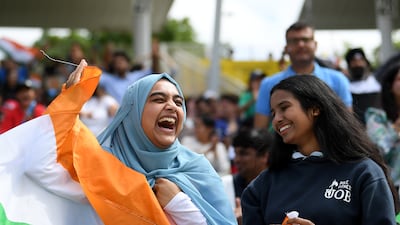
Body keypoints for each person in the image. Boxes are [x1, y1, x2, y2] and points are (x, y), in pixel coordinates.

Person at [242, 75, 399, 225]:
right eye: (273, 113)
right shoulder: (262, 186)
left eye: (284, 107)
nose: (276, 119)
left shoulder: (364, 173)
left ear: (315, 108)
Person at [254, 21, 352, 129]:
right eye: (294, 41)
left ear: (315, 45)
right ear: (286, 48)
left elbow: (347, 126)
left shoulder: (338, 80)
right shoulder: (269, 84)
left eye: (305, 40)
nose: (301, 45)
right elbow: (260, 129)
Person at [222, 127, 272, 225]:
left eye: (243, 153)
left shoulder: (281, 187)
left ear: (265, 156)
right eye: (236, 154)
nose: (237, 160)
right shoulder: (223, 185)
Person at [365, 61, 400, 185]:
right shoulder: (376, 116)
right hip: (392, 189)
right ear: (390, 86)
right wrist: (396, 129)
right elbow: (375, 154)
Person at [345, 48, 381, 124]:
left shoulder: (376, 83)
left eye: (360, 61)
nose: (358, 64)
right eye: (354, 61)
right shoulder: (344, 86)